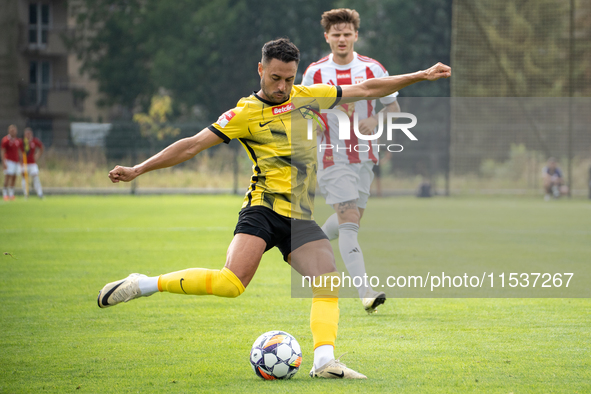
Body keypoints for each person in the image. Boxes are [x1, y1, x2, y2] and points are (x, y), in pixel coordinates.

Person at [98, 38, 450, 379]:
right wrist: (138, 169)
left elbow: (369, 89)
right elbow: (191, 146)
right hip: (263, 210)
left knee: (327, 281)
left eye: (289, 79)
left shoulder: (308, 96)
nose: (282, 86)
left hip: (299, 216)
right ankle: (143, 283)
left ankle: (324, 361)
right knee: (231, 283)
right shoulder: (244, 113)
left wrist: (420, 75)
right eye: (275, 78)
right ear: (260, 70)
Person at [302, 8, 400, 313]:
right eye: (336, 34)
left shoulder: (373, 69)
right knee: (348, 221)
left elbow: (393, 110)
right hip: (331, 157)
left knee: (351, 220)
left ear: (355, 36)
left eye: (347, 34)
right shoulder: (315, 73)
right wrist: (312, 129)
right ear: (327, 37)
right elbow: (303, 114)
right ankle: (365, 292)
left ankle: (307, 239)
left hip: (365, 157)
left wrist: (376, 120)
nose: (342, 39)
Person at [20, 127, 44, 199]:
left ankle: (40, 193)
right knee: (24, 178)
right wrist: (20, 159)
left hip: (32, 163)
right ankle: (26, 194)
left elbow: (41, 147)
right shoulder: (22, 142)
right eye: (26, 134)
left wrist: (37, 155)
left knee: (36, 177)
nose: (27, 135)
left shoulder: (34, 141)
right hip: (24, 163)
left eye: (29, 133)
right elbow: (18, 150)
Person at [1, 125, 22, 201]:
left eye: (14, 130)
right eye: (11, 130)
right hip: (9, 161)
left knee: (14, 177)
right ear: (9, 131)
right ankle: (5, 194)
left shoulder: (17, 140)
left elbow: (19, 151)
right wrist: (4, 162)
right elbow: (2, 151)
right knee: (7, 177)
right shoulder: (5, 140)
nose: (13, 132)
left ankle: (11, 194)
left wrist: (20, 160)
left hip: (16, 161)